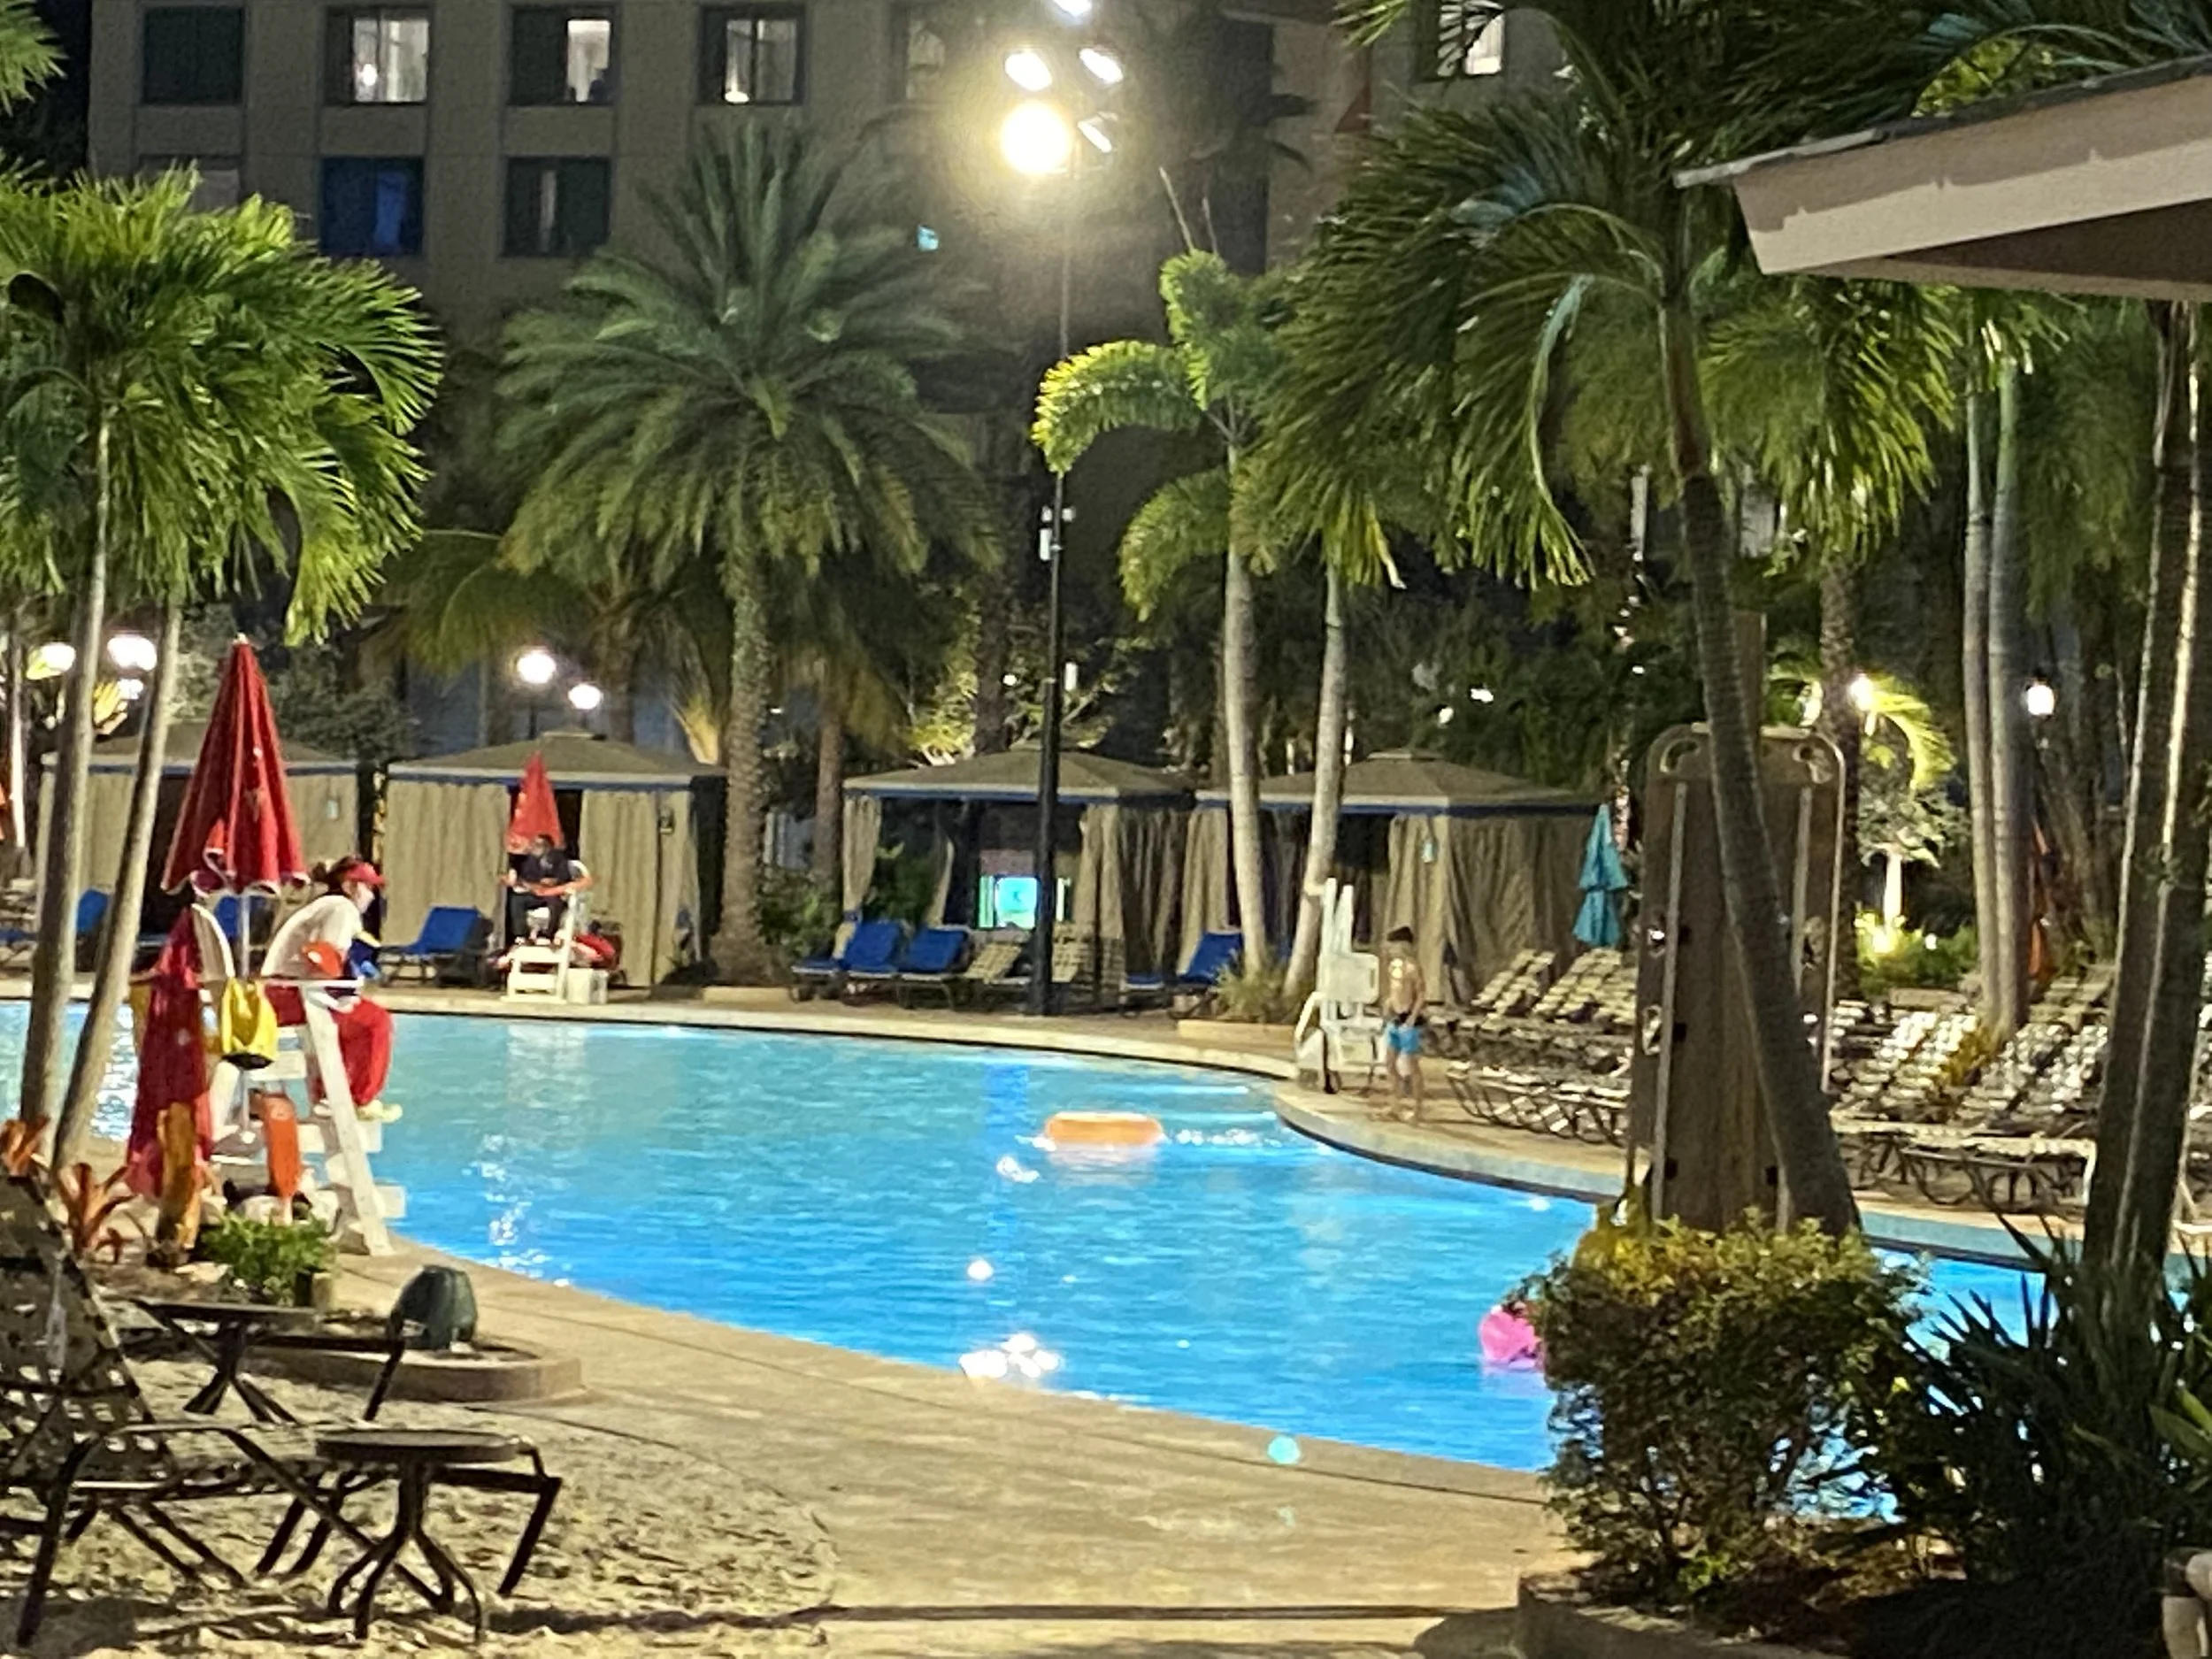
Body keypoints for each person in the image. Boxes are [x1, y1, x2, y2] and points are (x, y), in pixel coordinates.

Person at [263, 857, 396, 1120]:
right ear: (349, 886)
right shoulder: (341, 909)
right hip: (293, 997)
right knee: (375, 1021)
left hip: (278, 993)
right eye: (367, 888)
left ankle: (331, 1093)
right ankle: (359, 1098)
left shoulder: (323, 906)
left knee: (360, 1018)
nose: (370, 896)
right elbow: (324, 959)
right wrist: (345, 990)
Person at [504, 832, 592, 941]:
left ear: (548, 846)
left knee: (555, 903)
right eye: (534, 844)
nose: (534, 847)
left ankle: (548, 934)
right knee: (516, 900)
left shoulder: (559, 858)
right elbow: (526, 878)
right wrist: (530, 883)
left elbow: (564, 877)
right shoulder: (529, 860)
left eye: (539, 844)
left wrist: (555, 881)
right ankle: (521, 934)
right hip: (536, 893)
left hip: (554, 893)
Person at [1382, 924, 1426, 1121]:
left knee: (1411, 1065)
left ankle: (1417, 1109)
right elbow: (1395, 990)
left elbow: (1421, 994)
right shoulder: (1394, 966)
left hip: (1408, 1020)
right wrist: (1389, 1003)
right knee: (1390, 1063)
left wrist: (1413, 1017)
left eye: (1394, 946)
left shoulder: (1413, 968)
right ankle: (1395, 1105)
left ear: (1403, 945)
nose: (1391, 949)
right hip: (1395, 1018)